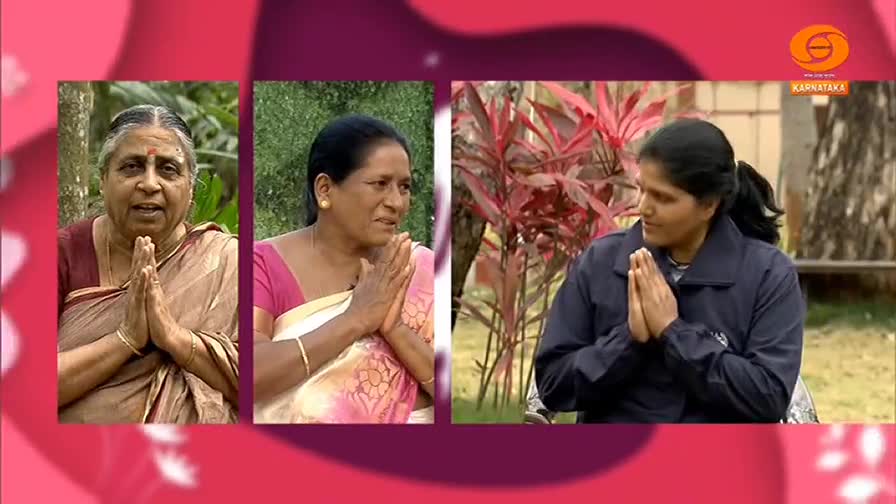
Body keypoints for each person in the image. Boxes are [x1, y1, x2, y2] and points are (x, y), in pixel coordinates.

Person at [535, 118, 805, 423]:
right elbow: (553, 385)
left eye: (663, 197)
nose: (644, 207)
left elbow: (767, 396)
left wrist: (674, 332)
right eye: (642, 190)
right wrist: (628, 341)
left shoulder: (767, 274)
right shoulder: (601, 262)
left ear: (709, 205)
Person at [57, 105, 239, 424]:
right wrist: (125, 339)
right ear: (103, 179)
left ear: (191, 185)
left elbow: (268, 385)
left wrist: (174, 337)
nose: (150, 184)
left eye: (168, 169)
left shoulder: (227, 261)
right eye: (132, 167)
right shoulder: (61, 253)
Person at [253, 114, 435, 424]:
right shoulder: (264, 263)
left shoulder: (422, 267)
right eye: (380, 184)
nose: (396, 202)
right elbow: (248, 375)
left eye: (404, 187)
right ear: (325, 189)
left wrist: (395, 330)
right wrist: (356, 318)